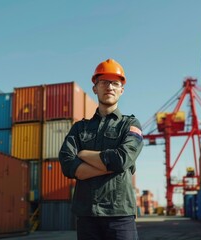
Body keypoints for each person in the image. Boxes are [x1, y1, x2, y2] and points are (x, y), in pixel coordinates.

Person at [58, 59, 144, 240]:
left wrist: (82, 154)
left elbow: (121, 160)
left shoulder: (130, 124)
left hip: (120, 215)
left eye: (115, 83)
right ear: (95, 88)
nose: (110, 87)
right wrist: (109, 165)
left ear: (122, 89)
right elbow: (67, 164)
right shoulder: (79, 128)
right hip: (87, 216)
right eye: (104, 82)